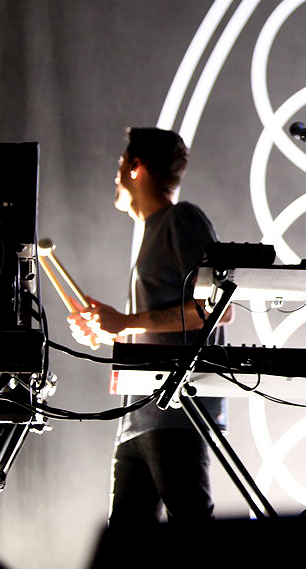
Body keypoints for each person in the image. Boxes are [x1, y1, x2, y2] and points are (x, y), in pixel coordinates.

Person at [67, 127, 229, 524]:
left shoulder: (181, 219)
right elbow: (158, 322)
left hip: (175, 410)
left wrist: (126, 321)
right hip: (139, 416)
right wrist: (110, 328)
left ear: (134, 167)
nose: (116, 176)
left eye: (119, 164)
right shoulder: (153, 230)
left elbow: (215, 310)